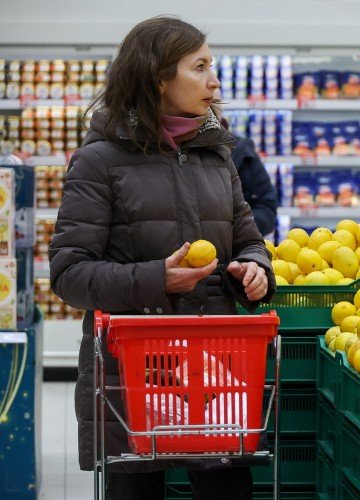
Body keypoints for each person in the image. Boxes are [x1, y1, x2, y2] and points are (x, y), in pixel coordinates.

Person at [48, 16, 276, 500]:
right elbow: (69, 274)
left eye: (212, 66)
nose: (215, 81)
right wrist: (158, 278)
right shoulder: (99, 161)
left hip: (214, 372)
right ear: (158, 79)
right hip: (133, 376)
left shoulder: (217, 155)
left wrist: (254, 271)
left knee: (228, 491)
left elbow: (249, 240)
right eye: (200, 67)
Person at [220, 117, 278, 236]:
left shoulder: (244, 152)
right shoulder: (182, 154)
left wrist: (242, 230)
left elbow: (266, 207)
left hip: (242, 242)